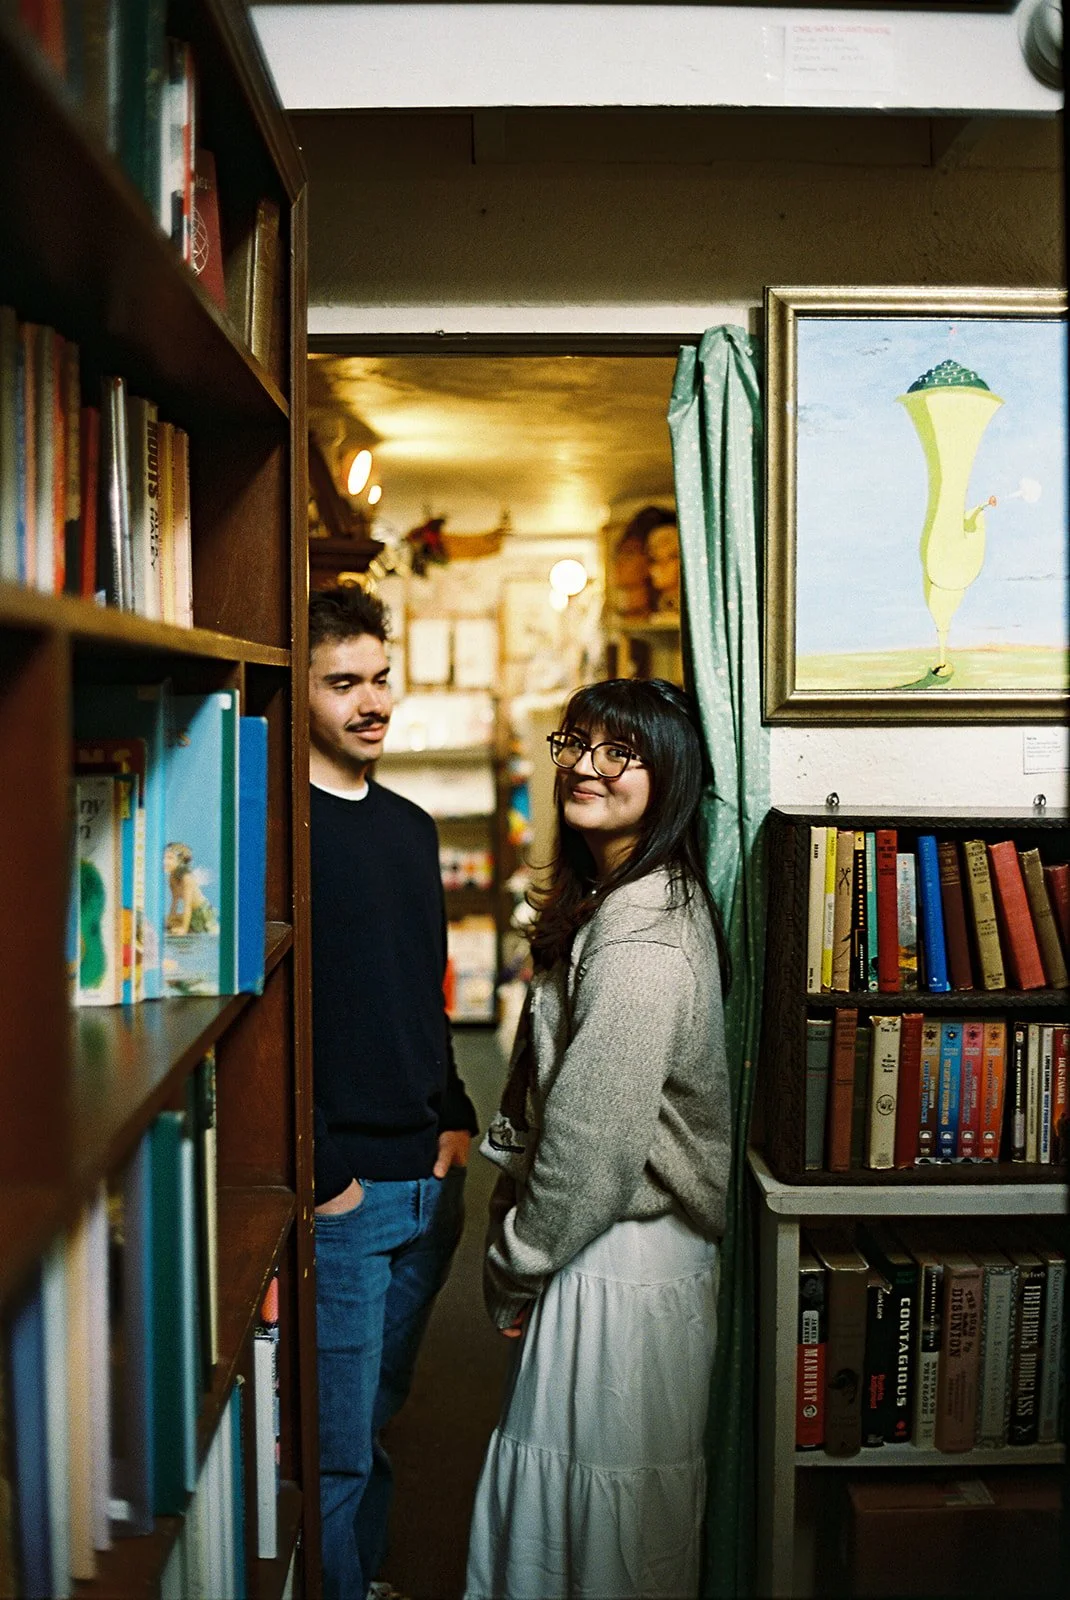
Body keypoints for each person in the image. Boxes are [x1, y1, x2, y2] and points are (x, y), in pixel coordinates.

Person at [464, 677, 732, 1600]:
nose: (587, 766)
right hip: (610, 1250)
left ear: (672, 778)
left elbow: (592, 1146)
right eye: (576, 742)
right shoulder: (619, 896)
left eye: (622, 753)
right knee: (590, 1528)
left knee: (600, 1534)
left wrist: (513, 1264)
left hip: (623, 1258)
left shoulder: (640, 937)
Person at [308, 584, 479, 1600]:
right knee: (332, 1450)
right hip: (346, 1193)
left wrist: (455, 1114)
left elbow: (423, 987)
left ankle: (361, 1578)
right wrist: (326, 1176)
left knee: (376, 1421)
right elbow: (267, 1022)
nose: (372, 702)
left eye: (379, 678)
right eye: (343, 683)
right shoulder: (280, 829)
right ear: (302, 689)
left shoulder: (411, 828)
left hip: (429, 1179)